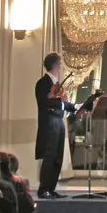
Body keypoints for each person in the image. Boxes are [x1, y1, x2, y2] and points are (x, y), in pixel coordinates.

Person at [34, 51, 78, 199]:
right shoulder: (42, 83)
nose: (60, 67)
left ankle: (51, 188)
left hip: (58, 122)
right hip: (49, 123)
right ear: (54, 65)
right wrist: (62, 103)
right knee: (49, 156)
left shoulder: (57, 85)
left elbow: (64, 104)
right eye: (59, 64)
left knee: (58, 156)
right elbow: (44, 102)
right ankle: (43, 189)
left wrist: (76, 107)